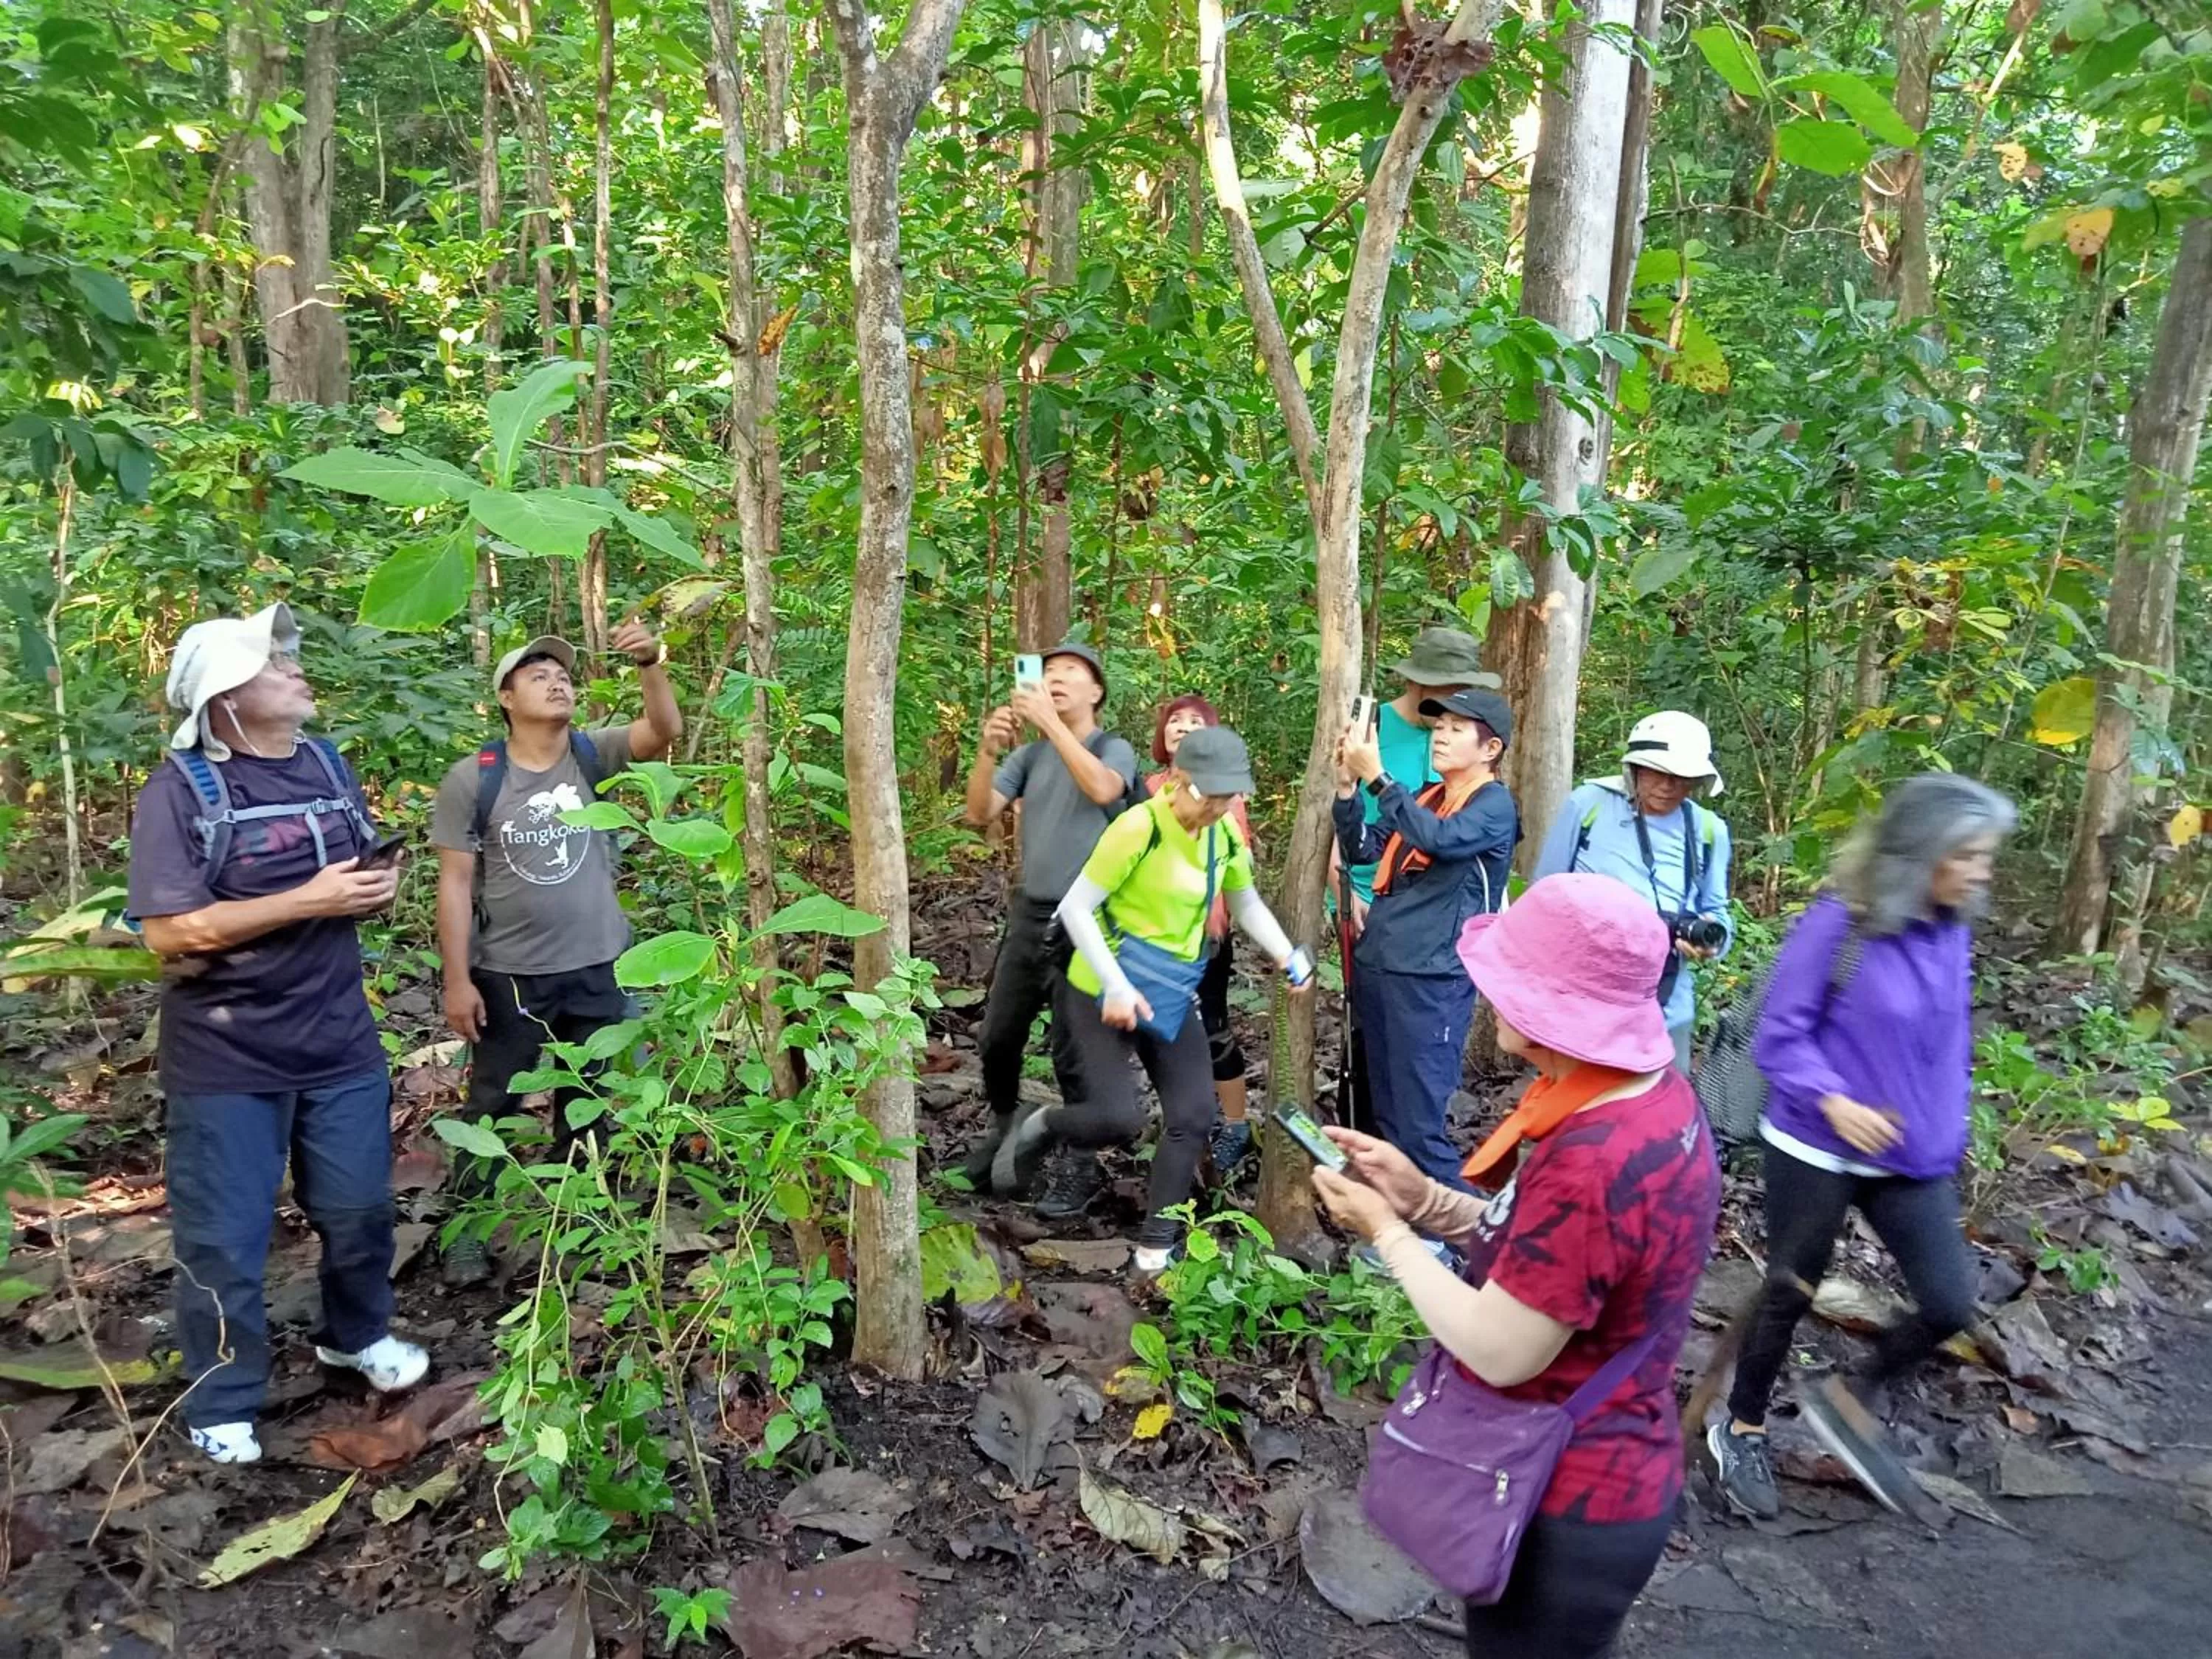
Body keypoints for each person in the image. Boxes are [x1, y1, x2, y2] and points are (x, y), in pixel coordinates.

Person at [1310, 874, 1720, 1658]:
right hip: (1611, 1460)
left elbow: (1501, 1349)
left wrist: (1386, 1231)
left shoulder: (1595, 1161)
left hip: (1565, 1499)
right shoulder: (1648, 1101)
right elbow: (1551, 1258)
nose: (1490, 994)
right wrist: (1426, 1198)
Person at [125, 603, 428, 1466]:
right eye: (272, 662)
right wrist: (309, 901)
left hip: (338, 1041)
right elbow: (168, 932)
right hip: (227, 1058)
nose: (296, 668)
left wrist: (376, 886)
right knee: (225, 1236)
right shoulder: (180, 790)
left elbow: (353, 874)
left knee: (361, 1208)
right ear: (224, 695)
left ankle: (356, 1333)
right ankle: (221, 1399)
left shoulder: (327, 764)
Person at [1708, 773, 2016, 1523]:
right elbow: (1781, 1036)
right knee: (1790, 1287)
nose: (1981, 871)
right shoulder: (1838, 924)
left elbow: (1945, 1049)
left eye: (1985, 856)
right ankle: (1740, 1428)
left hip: (1909, 1156)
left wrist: (1943, 1138)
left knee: (1949, 1301)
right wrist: (1834, 1100)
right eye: (1967, 855)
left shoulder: (1951, 929)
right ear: (1922, 853)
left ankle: (1851, 1397)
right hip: (1814, 1140)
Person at [995, 727, 1310, 1270]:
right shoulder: (1139, 827)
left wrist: (1287, 954)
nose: (1219, 805)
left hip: (1166, 992)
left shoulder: (1223, 836)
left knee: (1194, 1113)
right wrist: (1114, 983)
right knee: (1117, 1119)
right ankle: (1044, 1124)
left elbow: (1246, 901)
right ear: (1180, 779)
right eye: (1211, 792)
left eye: (1229, 794)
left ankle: (1155, 1251)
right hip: (1098, 988)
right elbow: (1076, 908)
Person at [428, 625, 680, 1282]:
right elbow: (454, 883)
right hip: (509, 974)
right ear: (507, 698)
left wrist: (650, 662)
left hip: (598, 965)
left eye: (563, 674)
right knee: (491, 1105)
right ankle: (466, 1228)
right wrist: (458, 981)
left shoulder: (591, 753)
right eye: (538, 675)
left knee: (587, 1102)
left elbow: (663, 729)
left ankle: (580, 1228)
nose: (557, 681)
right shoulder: (475, 779)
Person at [960, 642, 1140, 1216]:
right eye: (1050, 672)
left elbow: (1104, 789)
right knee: (998, 1036)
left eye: (1072, 673)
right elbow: (978, 813)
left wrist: (1050, 727)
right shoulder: (1031, 758)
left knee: (1075, 1048)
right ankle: (1006, 1129)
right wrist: (988, 751)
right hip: (1031, 914)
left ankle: (1080, 1163)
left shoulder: (1114, 749)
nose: (1057, 680)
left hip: (1091, 921)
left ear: (1097, 693)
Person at [1333, 687, 1518, 1197]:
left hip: (1433, 979)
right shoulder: (1426, 797)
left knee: (1419, 1122)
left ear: (1490, 749)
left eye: (1457, 729)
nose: (1440, 735)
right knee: (1381, 1110)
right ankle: (1402, 1224)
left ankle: (1472, 1236)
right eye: (1438, 726)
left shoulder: (1494, 807)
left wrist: (1377, 776)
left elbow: (1442, 841)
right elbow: (1365, 847)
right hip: (1381, 964)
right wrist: (1349, 791)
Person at [1329, 627, 1495, 1135]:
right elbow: (1346, 824)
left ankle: (1408, 1154)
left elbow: (1453, 832)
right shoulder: (1375, 725)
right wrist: (1345, 893)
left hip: (1430, 915)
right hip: (1364, 894)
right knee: (1365, 1037)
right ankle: (1363, 1148)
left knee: (1414, 1047)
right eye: (1445, 689)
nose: (1452, 706)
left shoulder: (1463, 744)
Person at [1532, 711, 1733, 1072]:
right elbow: (1544, 892)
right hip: (1582, 993)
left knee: (1660, 1114)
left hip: (1664, 1002)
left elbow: (1717, 911)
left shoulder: (1707, 830)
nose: (1669, 785)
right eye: (1658, 772)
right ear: (1635, 769)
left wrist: (1710, 942)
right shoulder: (1589, 804)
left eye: (1682, 777)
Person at [1145, 695, 1257, 1176]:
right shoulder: (1147, 787)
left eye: (1196, 722)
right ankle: (1186, 1121)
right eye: (1176, 721)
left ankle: (1235, 1125)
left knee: (1211, 1025)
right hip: (1152, 933)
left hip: (1205, 930)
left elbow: (1239, 867)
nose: (1184, 728)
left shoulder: (1228, 794)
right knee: (1165, 1030)